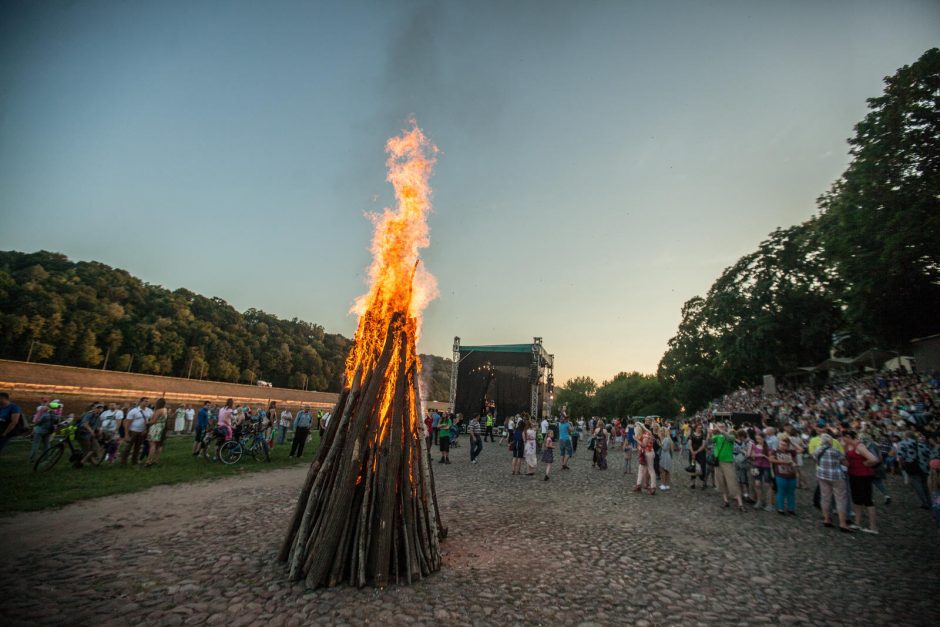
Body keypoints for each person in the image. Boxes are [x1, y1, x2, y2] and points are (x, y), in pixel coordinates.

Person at [843, 430, 879, 534]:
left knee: (867, 500)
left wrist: (865, 464)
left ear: (848, 436)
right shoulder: (849, 446)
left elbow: (873, 459)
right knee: (856, 499)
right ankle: (857, 523)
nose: (843, 439)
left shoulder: (859, 446)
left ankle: (873, 527)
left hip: (863, 476)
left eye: (844, 437)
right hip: (854, 475)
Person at [814, 433, 852, 533]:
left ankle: (826, 519)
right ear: (830, 441)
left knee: (825, 497)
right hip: (836, 476)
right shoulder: (835, 451)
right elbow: (846, 463)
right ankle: (842, 523)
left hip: (822, 476)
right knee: (840, 499)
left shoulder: (817, 451)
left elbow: (817, 462)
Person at [712, 423, 744, 511]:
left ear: (726, 427)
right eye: (719, 426)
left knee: (732, 482)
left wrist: (720, 430)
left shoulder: (731, 436)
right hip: (718, 462)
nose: (720, 428)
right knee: (721, 482)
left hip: (728, 462)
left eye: (722, 426)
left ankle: (740, 504)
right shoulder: (717, 436)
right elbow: (709, 441)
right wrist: (710, 432)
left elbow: (729, 438)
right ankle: (726, 501)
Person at [770, 437, 797, 516]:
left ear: (788, 446)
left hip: (791, 474)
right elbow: (771, 459)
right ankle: (780, 508)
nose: (782, 446)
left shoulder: (791, 452)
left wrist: (792, 442)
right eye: (781, 444)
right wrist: (783, 462)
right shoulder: (775, 451)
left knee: (791, 492)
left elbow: (800, 450)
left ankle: (791, 509)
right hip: (780, 474)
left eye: (785, 445)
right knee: (781, 491)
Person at [120, 397, 152, 466]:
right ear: (140, 402)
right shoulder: (134, 411)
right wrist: (126, 434)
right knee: (128, 447)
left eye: (148, 401)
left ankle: (134, 462)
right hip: (133, 431)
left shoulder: (149, 411)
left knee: (138, 447)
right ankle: (123, 462)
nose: (147, 403)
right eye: (145, 401)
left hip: (142, 432)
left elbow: (150, 420)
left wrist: (147, 430)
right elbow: (127, 423)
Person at [750, 432, 774, 511]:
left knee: (767, 485)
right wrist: (757, 455)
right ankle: (759, 501)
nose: (758, 440)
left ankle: (769, 503)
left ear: (763, 439)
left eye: (759, 439)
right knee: (757, 484)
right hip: (756, 466)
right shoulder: (754, 446)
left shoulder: (768, 447)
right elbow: (752, 456)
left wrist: (764, 456)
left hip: (766, 466)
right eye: (757, 439)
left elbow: (771, 459)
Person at [145, 398, 168, 467]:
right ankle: (156, 460)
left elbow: (154, 421)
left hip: (155, 428)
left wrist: (147, 422)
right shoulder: (165, 410)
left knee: (152, 445)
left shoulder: (158, 410)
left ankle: (149, 461)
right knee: (159, 445)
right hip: (161, 428)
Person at [688, 423, 707, 489]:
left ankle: (702, 483)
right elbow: (690, 444)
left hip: (701, 453)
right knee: (693, 467)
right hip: (692, 453)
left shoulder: (703, 435)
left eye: (700, 427)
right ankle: (693, 483)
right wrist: (692, 452)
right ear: (695, 428)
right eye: (698, 427)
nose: (699, 429)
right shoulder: (692, 435)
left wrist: (697, 451)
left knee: (702, 467)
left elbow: (703, 445)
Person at [659, 426, 675, 491]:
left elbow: (664, 448)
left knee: (663, 471)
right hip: (667, 456)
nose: (660, 432)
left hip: (665, 456)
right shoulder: (667, 439)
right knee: (667, 471)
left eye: (661, 431)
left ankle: (663, 484)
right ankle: (667, 484)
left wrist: (660, 444)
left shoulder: (666, 439)